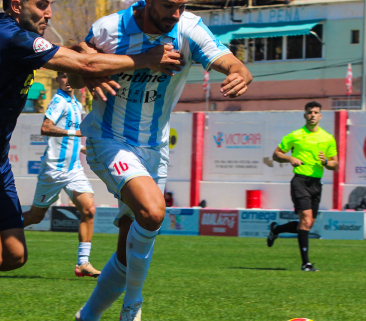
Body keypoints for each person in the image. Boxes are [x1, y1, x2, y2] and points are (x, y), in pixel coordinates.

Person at [0, 0, 185, 319]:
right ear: (17, 5)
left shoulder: (9, 30)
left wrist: (86, 63)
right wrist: (143, 59)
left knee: (14, 255)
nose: (49, 12)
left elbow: (72, 56)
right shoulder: (11, 37)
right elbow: (78, 62)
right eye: (42, 4)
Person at [71, 1, 252, 320]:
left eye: (182, 6)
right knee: (153, 212)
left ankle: (87, 317)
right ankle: (134, 304)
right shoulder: (110, 29)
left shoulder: (188, 29)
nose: (176, 14)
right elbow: (75, 69)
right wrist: (87, 75)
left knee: (128, 251)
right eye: (169, 5)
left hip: (155, 148)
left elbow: (228, 61)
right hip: (110, 139)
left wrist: (240, 71)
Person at [22, 71, 101, 278]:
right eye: (63, 76)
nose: (67, 81)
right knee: (35, 217)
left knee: (89, 210)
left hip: (74, 170)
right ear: (57, 79)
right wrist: (73, 134)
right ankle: (1, 231)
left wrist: (82, 148)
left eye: (71, 76)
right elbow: (46, 127)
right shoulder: (59, 101)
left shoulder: (76, 103)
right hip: (53, 172)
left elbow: (72, 136)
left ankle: (83, 263)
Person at [267, 101, 337, 272]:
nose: (312, 115)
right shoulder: (295, 135)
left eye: (316, 112)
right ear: (305, 115)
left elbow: (335, 164)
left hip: (316, 184)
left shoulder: (327, 138)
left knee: (307, 224)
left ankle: (277, 229)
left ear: (320, 116)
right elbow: (276, 154)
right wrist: (290, 159)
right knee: (305, 220)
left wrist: (326, 161)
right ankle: (306, 263)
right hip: (300, 181)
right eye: (309, 112)